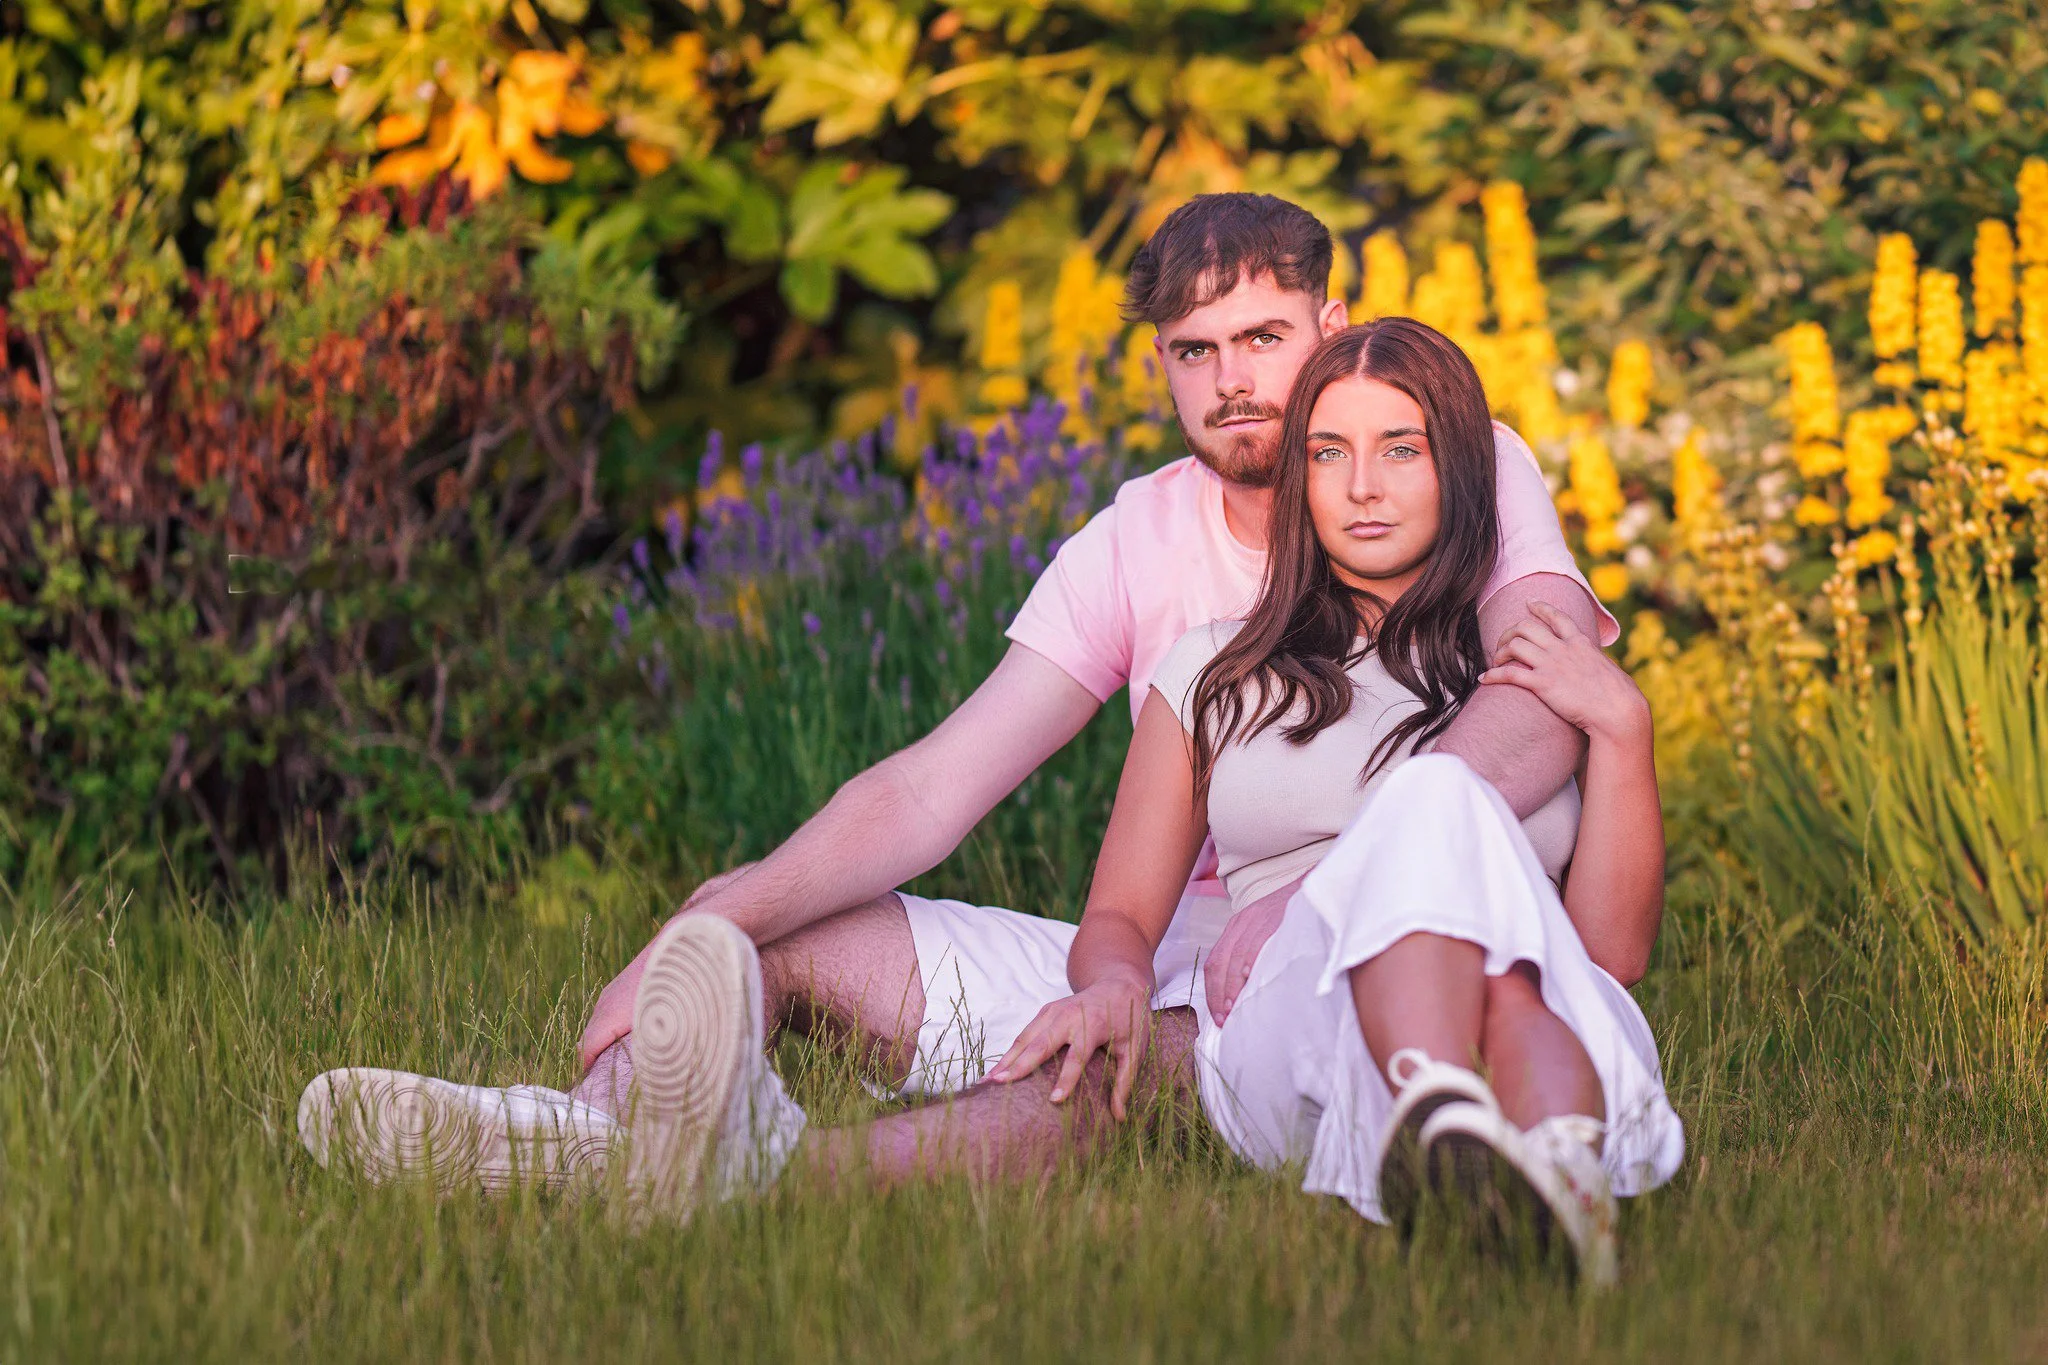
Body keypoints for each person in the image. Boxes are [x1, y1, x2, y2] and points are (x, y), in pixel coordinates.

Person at [297, 193, 1635, 1206]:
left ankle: (766, 1182)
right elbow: (935, 785)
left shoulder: (1453, 463)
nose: (1234, 379)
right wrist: (713, 912)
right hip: (1155, 941)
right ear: (1162, 364)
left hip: (1322, 970)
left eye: (1266, 337)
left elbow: (1538, 695)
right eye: (1195, 349)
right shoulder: (1135, 541)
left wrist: (1351, 875)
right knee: (778, 945)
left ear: (1331, 332)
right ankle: (598, 1138)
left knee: (1118, 1064)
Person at [982, 318, 1681, 1282]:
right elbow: (1116, 915)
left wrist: (1625, 730)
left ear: (1465, 470)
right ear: (1298, 478)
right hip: (1295, 1024)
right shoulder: (1218, 671)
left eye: (1402, 449)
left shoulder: (1520, 679)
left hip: (1538, 1004)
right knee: (1441, 799)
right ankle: (1473, 1122)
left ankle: (1529, 1158)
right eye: (1329, 452)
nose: (1363, 486)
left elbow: (1609, 954)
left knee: (1502, 939)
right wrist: (1112, 984)